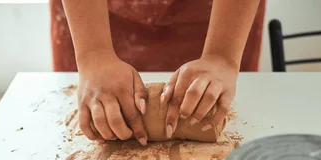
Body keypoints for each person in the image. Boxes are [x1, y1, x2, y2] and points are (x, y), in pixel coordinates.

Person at [50, 0, 266, 146]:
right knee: (102, 108)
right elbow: (93, 56)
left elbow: (223, 58)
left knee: (210, 96)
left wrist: (222, 56)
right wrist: (93, 54)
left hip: (221, 15)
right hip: (92, 15)